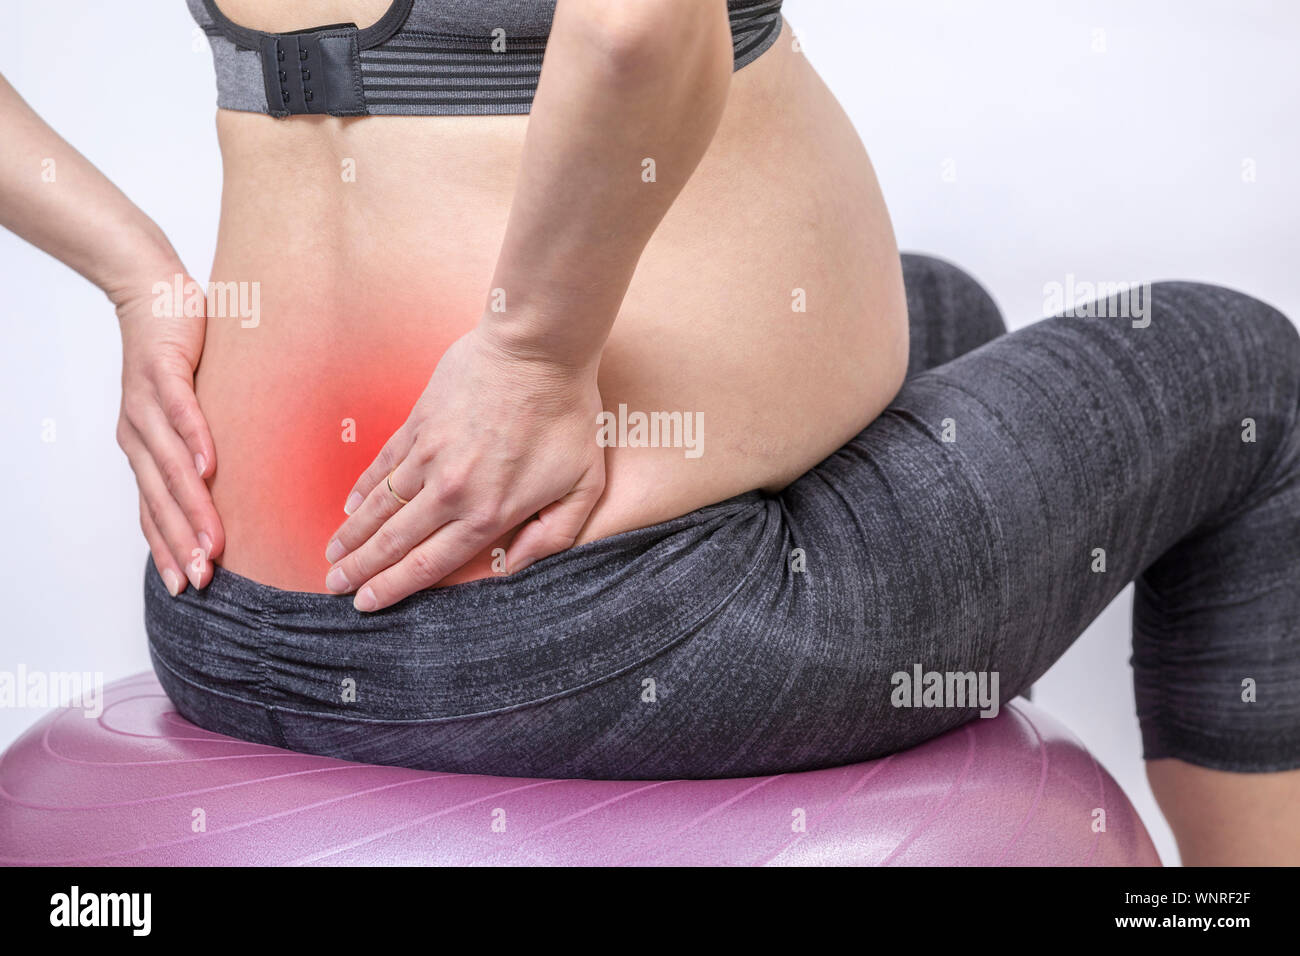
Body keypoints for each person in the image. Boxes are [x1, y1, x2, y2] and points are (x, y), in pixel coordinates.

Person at [1, 0, 1296, 866]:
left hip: (232, 614)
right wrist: (531, 351)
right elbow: (633, 26)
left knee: (945, 310)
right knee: (1245, 372)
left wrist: (139, 276)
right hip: (601, 626)